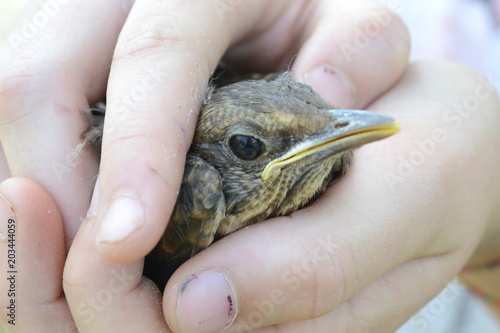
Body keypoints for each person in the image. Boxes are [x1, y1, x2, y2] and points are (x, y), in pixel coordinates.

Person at [0, 0, 499, 332]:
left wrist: (487, 229)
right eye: (248, 146)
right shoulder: (199, 189)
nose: (339, 136)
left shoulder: (332, 160)